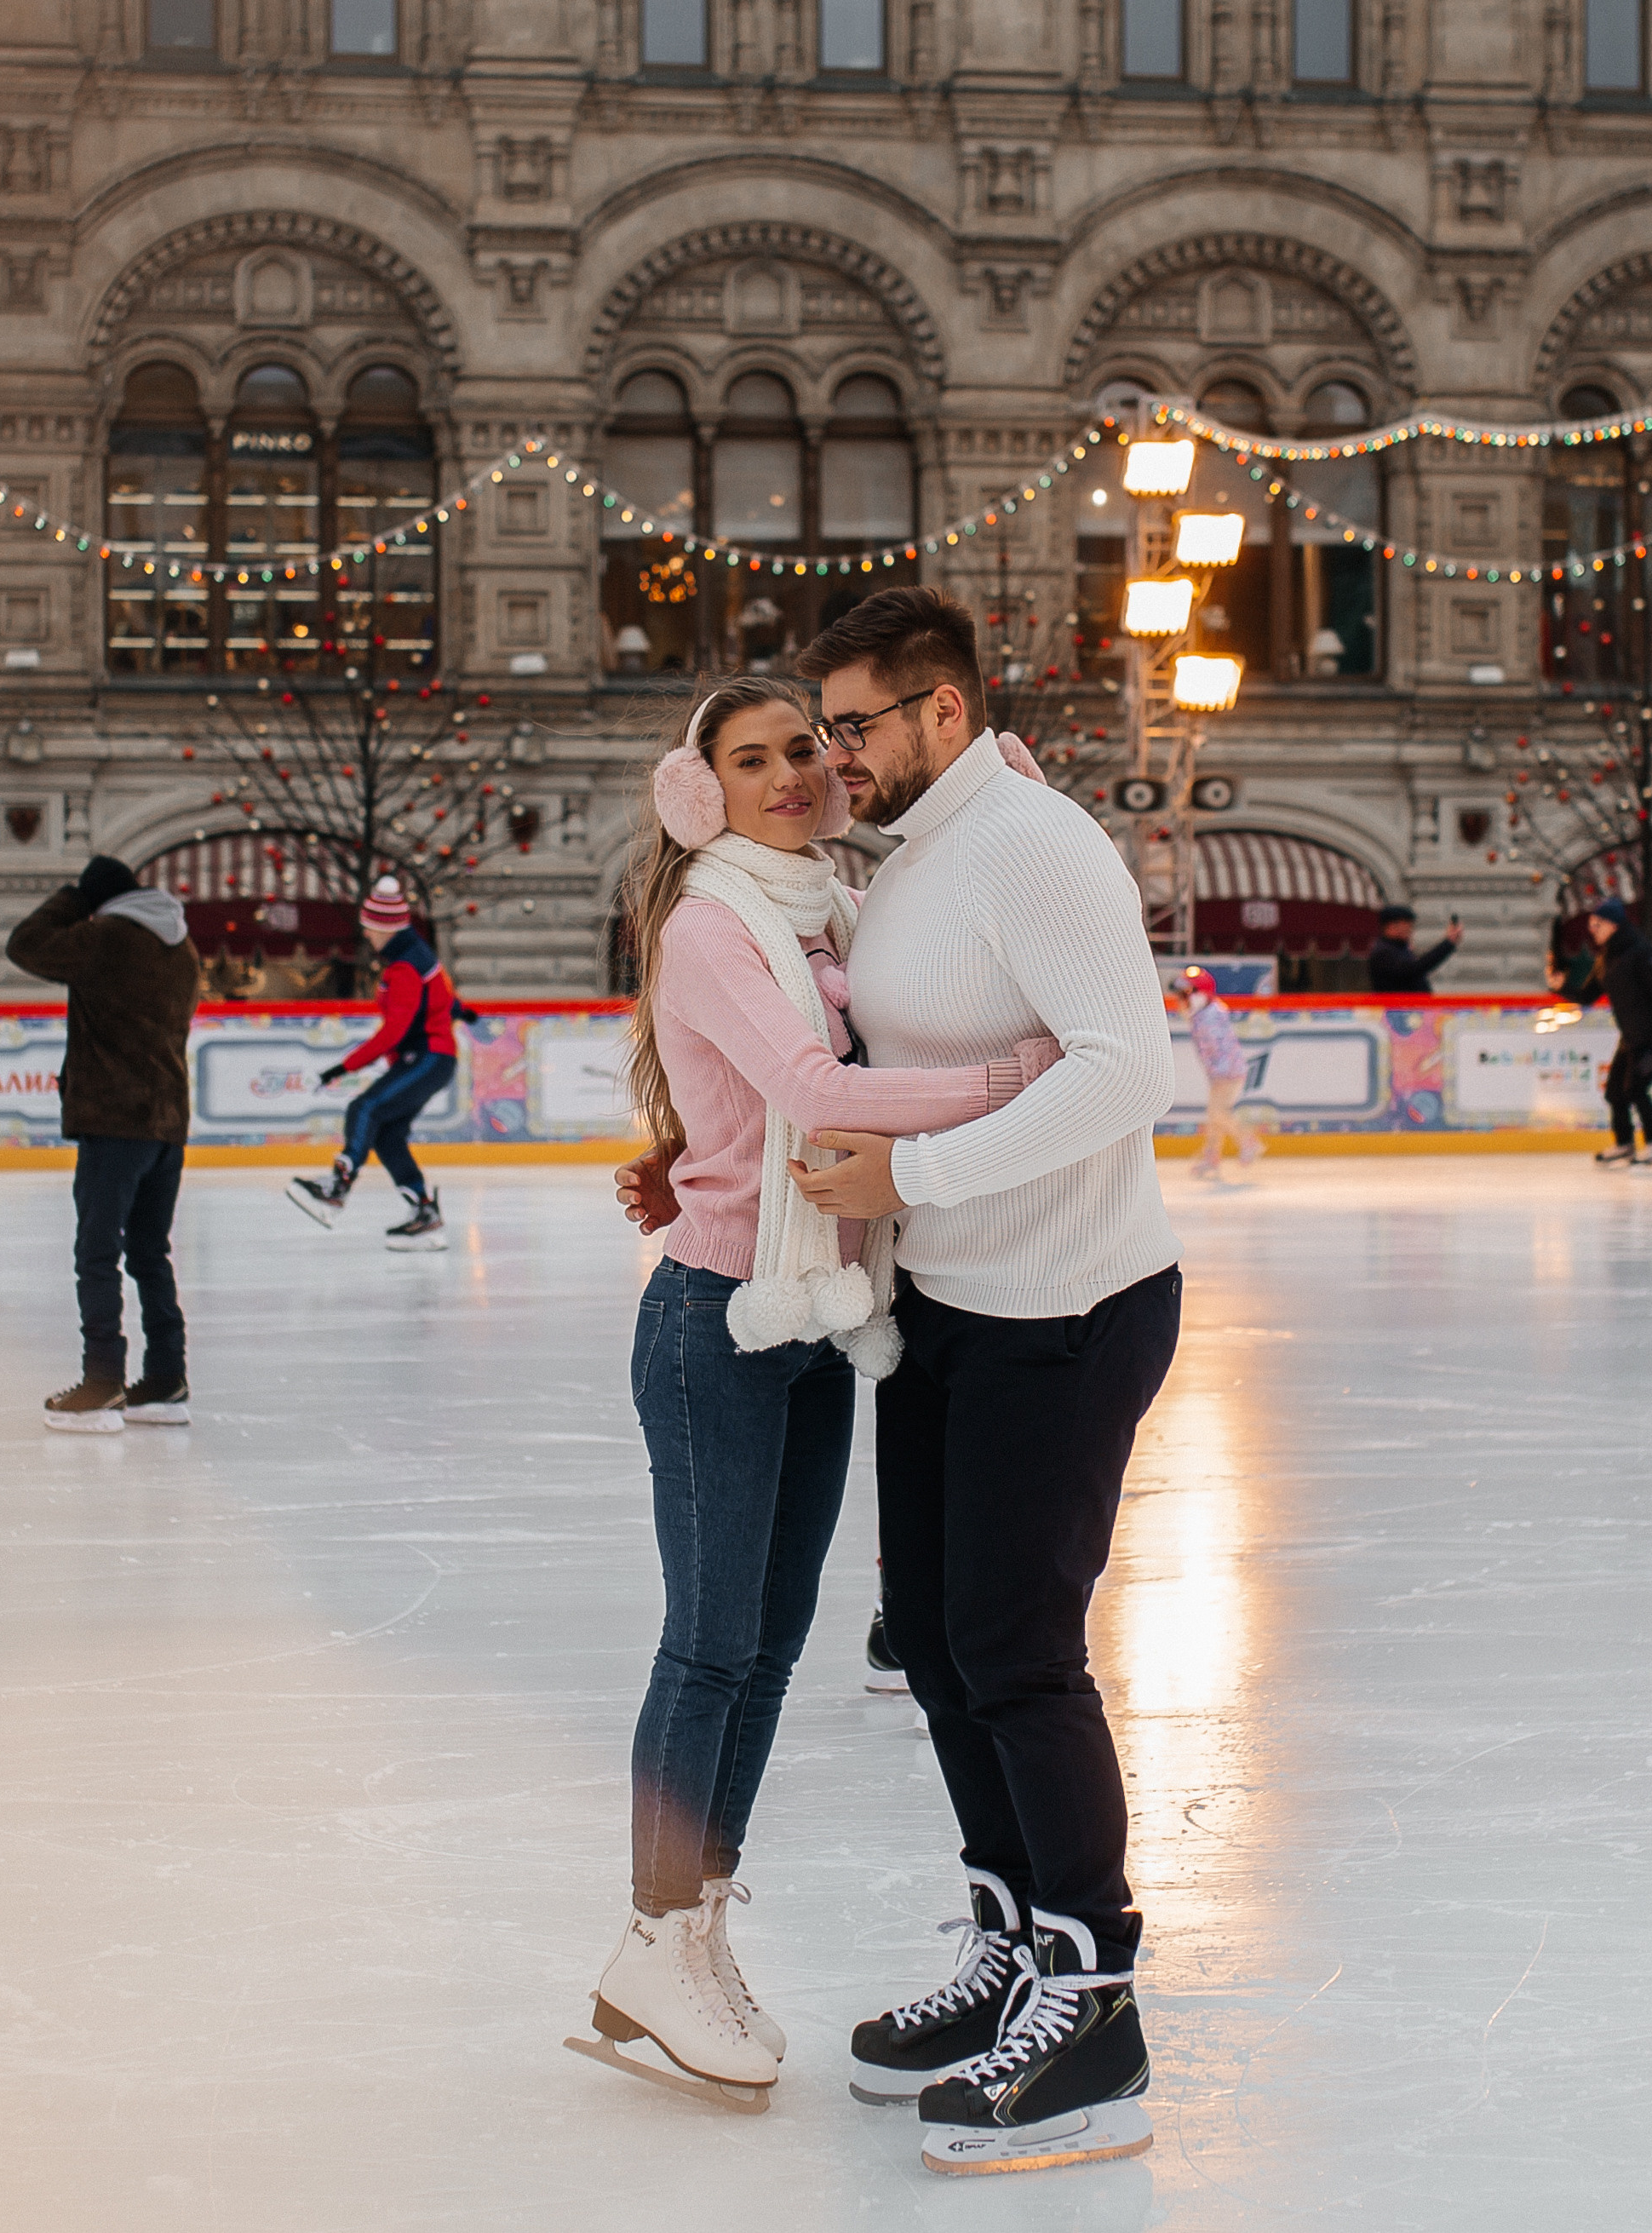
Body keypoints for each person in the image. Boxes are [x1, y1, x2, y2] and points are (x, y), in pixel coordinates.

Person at [586, 675, 1058, 2110]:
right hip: (716, 1323)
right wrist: (1019, 1077)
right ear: (702, 792)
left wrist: (1010, 809)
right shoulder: (715, 921)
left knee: (772, 1643)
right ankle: (655, 1937)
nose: (789, 772)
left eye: (803, 748)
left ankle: (697, 1926)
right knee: (708, 1645)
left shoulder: (828, 910)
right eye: (752, 758)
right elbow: (814, 1085)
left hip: (811, 1316)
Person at [775, 586, 1182, 2178]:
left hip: (1063, 1306)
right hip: (948, 1305)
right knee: (940, 1646)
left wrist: (918, 1177)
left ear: (942, 708)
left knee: (1015, 1652)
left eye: (853, 724)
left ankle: (1093, 2003)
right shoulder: (916, 853)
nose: (834, 754)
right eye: (826, 728)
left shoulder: (1033, 843)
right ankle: (1012, 1941)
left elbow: (1129, 1068)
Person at [5, 854, 201, 1432]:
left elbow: (25, 945)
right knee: (149, 1252)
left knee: (97, 1252)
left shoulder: (108, 938)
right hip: (167, 1123)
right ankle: (166, 1377)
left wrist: (73, 899)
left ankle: (102, 1380)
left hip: (115, 1120)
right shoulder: (182, 947)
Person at [285, 877, 461, 1248]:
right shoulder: (411, 958)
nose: (365, 933)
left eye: (369, 926)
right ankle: (425, 1215)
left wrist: (342, 1067)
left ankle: (336, 1188)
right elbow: (439, 1004)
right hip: (429, 1057)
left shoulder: (407, 966)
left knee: (364, 1108)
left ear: (385, 928)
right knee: (387, 1134)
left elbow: (394, 1031)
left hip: (429, 1057)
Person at [1548, 898, 1652, 1169]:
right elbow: (1588, 995)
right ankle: (1624, 1143)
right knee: (1615, 1092)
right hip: (1630, 1038)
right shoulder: (1605, 958)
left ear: (1613, 925)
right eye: (1591, 925)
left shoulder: (1640, 951)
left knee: (1636, 1089)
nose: (1592, 930)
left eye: (1597, 925)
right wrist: (1562, 987)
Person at [1185, 968, 1259, 1181]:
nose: (1187, 997)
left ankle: (1247, 1141)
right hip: (1222, 1071)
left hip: (1227, 1072)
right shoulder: (1203, 1013)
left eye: (1191, 991)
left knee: (1217, 1113)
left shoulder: (1211, 1015)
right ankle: (1212, 1156)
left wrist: (1219, 1074)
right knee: (1214, 1115)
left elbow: (1220, 1048)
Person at [1366, 903, 1464, 994]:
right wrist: (1448, 943)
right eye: (1407, 926)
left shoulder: (1397, 947)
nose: (1410, 930)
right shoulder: (1383, 952)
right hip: (1400, 1006)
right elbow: (1414, 969)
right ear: (1392, 926)